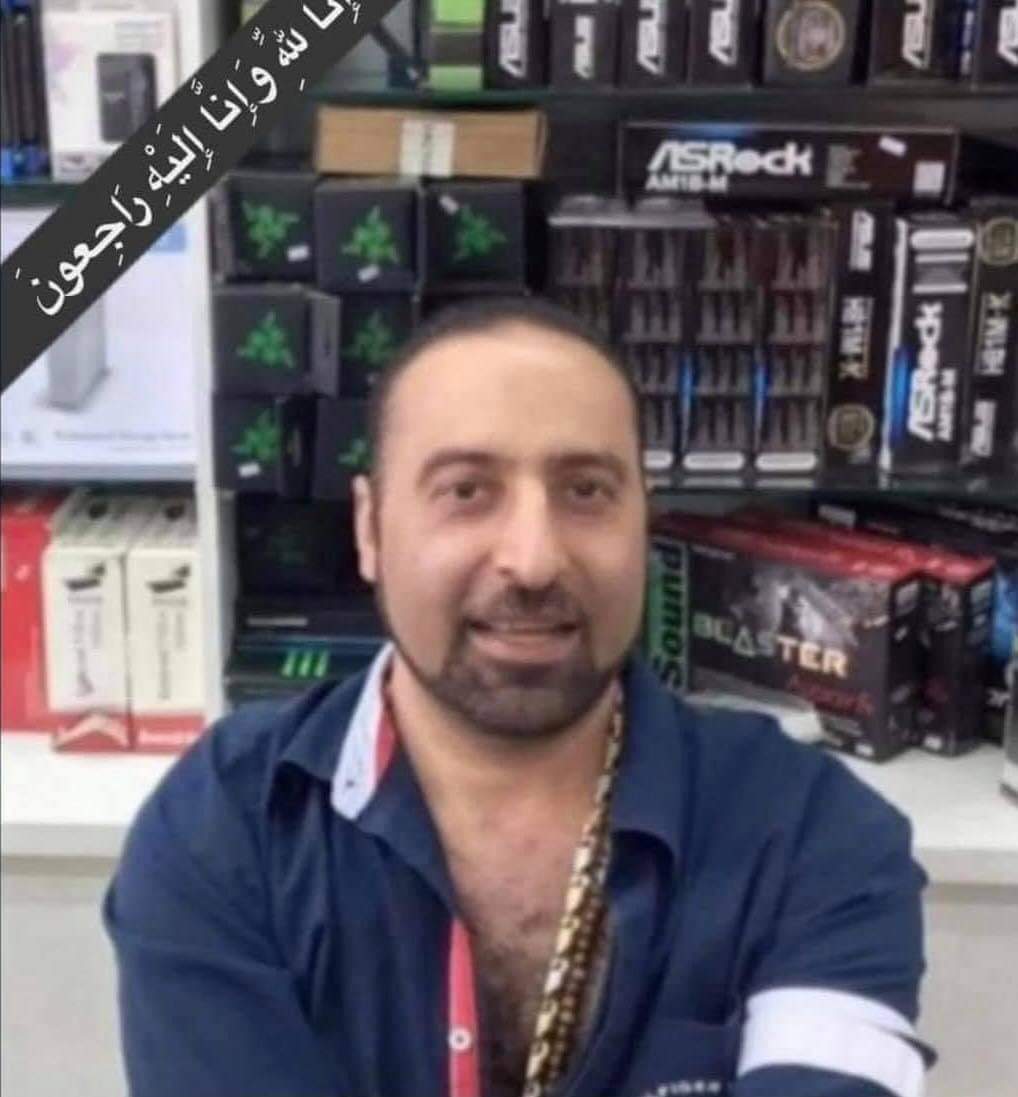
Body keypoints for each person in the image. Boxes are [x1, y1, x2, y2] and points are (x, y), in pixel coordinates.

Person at [105, 296, 934, 1097]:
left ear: (644, 522)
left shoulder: (813, 837)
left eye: (586, 491)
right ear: (370, 528)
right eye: (467, 490)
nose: (533, 560)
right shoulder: (228, 828)